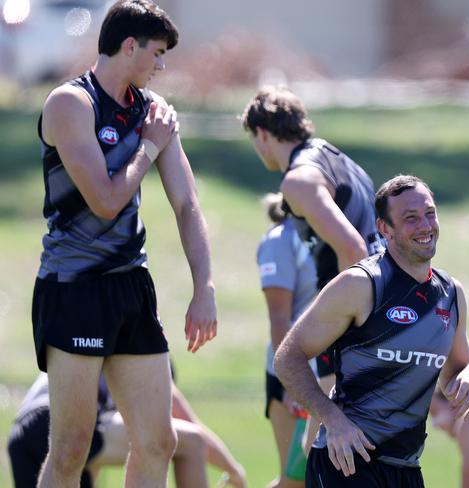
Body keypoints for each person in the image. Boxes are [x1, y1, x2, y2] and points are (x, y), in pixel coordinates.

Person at [32, 1, 217, 486]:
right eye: (156, 54)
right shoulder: (71, 104)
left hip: (131, 289)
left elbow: (187, 205)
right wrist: (149, 146)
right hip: (74, 289)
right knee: (72, 449)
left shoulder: (152, 112)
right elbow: (105, 201)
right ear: (129, 45)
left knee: (159, 441)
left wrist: (205, 287)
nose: (162, 66)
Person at [274, 175, 469, 487]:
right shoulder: (360, 285)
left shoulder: (449, 294)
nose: (426, 226)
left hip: (405, 468)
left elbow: (455, 374)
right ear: (384, 228)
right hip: (347, 464)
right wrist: (332, 419)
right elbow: (287, 357)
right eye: (410, 218)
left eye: (430, 213)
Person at [241, 85, 384, 453]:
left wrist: (347, 330)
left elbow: (351, 248)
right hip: (386, 302)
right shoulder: (337, 157)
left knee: (326, 449)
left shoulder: (299, 179)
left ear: (262, 134)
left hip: (358, 319)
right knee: (318, 450)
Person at [7, 373, 247, 488]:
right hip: (54, 420)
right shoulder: (146, 368)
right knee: (190, 442)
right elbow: (195, 433)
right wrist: (234, 471)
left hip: (20, 438)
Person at [257, 193, 318, 488]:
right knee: (294, 481)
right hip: (292, 375)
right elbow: (280, 319)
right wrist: (294, 381)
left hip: (330, 375)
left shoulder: (333, 232)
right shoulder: (280, 240)